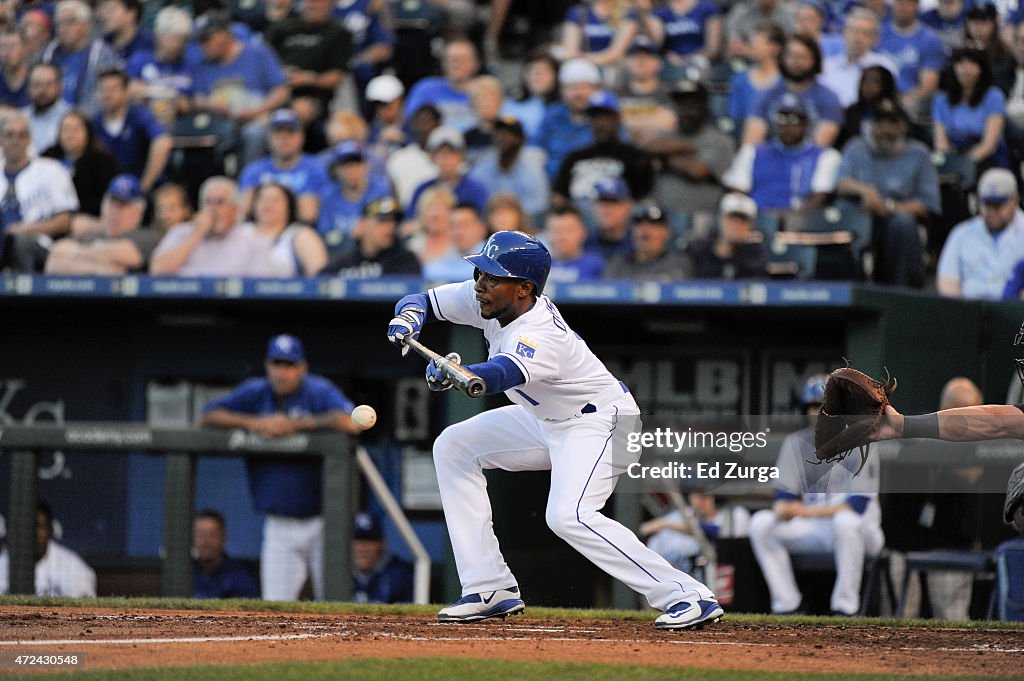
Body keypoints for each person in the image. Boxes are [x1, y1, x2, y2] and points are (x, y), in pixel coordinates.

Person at [385, 230, 724, 629]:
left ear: (524, 289)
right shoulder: (489, 299)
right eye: (480, 273)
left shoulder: (539, 331)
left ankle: (687, 595)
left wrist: (459, 372)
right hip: (547, 420)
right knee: (454, 447)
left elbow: (499, 374)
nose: (479, 285)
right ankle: (489, 587)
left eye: (491, 277)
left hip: (601, 422)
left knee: (569, 516)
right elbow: (423, 300)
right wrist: (408, 318)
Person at [201, 334, 363, 601]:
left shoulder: (318, 391)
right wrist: (255, 423)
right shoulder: (256, 392)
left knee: (336, 603)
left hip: (325, 522)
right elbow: (207, 416)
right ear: (268, 365)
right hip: (279, 525)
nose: (282, 372)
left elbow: (352, 421)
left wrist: (295, 425)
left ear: (302, 368)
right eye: (277, 364)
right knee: (275, 605)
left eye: (289, 365)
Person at [749, 374, 885, 616]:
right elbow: (784, 494)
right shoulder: (795, 443)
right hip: (817, 528)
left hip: (863, 531)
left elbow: (857, 505)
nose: (820, 412)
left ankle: (846, 608)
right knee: (761, 524)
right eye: (814, 406)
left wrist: (803, 511)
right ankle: (788, 605)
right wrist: (783, 507)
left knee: (846, 523)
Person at [835, 98, 939, 288]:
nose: (886, 130)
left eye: (893, 123)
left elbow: (927, 205)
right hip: (860, 216)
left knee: (904, 223)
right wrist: (864, 190)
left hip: (894, 220)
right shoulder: (855, 147)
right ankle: (842, 291)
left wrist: (888, 207)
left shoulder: (919, 154)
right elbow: (840, 184)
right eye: (880, 123)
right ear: (871, 125)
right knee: (840, 214)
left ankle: (903, 293)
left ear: (904, 126)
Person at [192, 11, 290, 168]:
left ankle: (247, 185)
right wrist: (210, 104)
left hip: (257, 119)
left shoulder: (258, 53)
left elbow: (282, 91)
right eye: (199, 41)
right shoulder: (203, 65)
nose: (202, 46)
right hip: (221, 123)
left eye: (206, 40)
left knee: (254, 134)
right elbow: (197, 98)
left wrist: (257, 111)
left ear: (224, 33)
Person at [723, 95, 840, 215]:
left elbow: (820, 197)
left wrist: (789, 218)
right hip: (756, 218)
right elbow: (738, 190)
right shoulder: (752, 152)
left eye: (794, 120)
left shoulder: (826, 156)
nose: (787, 127)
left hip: (800, 221)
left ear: (806, 124)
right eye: (781, 119)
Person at [639, 79, 736, 218]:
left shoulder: (721, 141)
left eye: (691, 104)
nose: (684, 110)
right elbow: (643, 144)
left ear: (704, 107)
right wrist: (685, 146)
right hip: (661, 217)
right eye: (680, 104)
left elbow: (696, 171)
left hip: (703, 218)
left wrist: (663, 157)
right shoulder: (669, 134)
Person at [149, 176, 275, 277]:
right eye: (208, 202)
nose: (213, 209)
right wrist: (198, 233)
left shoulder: (252, 242)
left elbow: (261, 288)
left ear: (235, 209)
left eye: (220, 202)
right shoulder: (181, 232)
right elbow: (158, 270)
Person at [0, 111, 79, 272]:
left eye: (22, 135)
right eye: (9, 135)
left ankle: (20, 296)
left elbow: (64, 221)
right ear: (1, 139)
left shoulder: (51, 170)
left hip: (38, 241)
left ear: (29, 139)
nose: (15, 141)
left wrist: (25, 229)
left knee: (19, 241)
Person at [552, 90, 655, 208]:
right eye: (595, 118)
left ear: (617, 119)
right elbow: (559, 198)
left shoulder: (634, 156)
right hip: (579, 220)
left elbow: (642, 202)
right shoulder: (574, 157)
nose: (600, 123)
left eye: (605, 117)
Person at [45, 174, 162, 274]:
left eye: (122, 206)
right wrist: (100, 269)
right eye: (111, 203)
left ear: (138, 212)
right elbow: (54, 262)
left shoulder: (147, 236)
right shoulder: (90, 235)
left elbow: (124, 255)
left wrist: (74, 254)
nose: (114, 211)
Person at [742, 33, 843, 149]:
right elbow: (751, 146)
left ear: (815, 60)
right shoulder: (765, 95)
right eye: (792, 56)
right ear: (782, 58)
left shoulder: (828, 98)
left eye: (803, 57)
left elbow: (819, 149)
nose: (797, 62)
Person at [937, 168, 1024, 300]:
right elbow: (947, 282)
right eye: (987, 204)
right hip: (969, 313)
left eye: (998, 204)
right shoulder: (961, 234)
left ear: (1014, 201)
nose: (992, 211)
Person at [238, 108, 330, 225]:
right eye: (278, 133)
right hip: (261, 231)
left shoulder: (315, 167)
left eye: (290, 133)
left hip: (299, 231)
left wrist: (267, 206)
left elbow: (309, 213)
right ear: (269, 138)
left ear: (301, 137)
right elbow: (244, 210)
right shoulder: (254, 169)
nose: (284, 139)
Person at [263, 0, 352, 120]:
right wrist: (279, 73)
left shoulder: (338, 32)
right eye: (310, 1)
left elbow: (336, 76)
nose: (313, 5)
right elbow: (262, 59)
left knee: (300, 109)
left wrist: (308, 78)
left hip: (312, 94)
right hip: (276, 87)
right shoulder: (282, 28)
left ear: (330, 4)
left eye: (318, 2)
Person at [932, 47, 1010, 173]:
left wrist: (965, 164)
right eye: (961, 64)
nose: (966, 70)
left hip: (988, 160)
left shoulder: (994, 96)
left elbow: (989, 144)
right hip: (953, 157)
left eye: (972, 64)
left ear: (982, 68)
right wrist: (952, 163)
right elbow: (940, 143)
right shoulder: (941, 99)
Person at [40, 0, 122, 117]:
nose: (63, 28)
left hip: (88, 122)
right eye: (59, 23)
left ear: (86, 25)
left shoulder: (102, 55)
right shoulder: (47, 54)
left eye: (70, 22)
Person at [94, 68, 171, 192]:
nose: (107, 95)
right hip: (111, 192)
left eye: (113, 89)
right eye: (103, 89)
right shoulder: (94, 123)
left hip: (144, 187)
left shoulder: (139, 116)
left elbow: (163, 142)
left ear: (126, 92)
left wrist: (144, 187)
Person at [0, 501, 96, 597]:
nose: (31, 533)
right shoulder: (2, 563)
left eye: (38, 527)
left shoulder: (73, 568)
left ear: (50, 530)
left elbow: (85, 609)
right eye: (25, 527)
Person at [126, 6, 200, 128]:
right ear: (159, 36)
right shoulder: (140, 60)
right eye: (174, 39)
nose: (178, 45)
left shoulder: (191, 65)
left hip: (181, 125)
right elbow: (130, 89)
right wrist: (162, 93)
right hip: (144, 124)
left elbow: (192, 102)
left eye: (183, 40)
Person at [468, 115, 549, 227]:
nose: (503, 138)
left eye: (509, 134)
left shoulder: (533, 170)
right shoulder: (482, 168)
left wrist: (508, 216)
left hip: (523, 231)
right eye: (499, 133)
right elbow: (474, 202)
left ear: (521, 139)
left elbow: (537, 209)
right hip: (488, 231)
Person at [641, 492, 751, 575]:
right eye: (696, 495)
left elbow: (720, 533)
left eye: (705, 495)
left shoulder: (733, 514)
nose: (701, 501)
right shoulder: (675, 518)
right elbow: (648, 556)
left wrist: (669, 525)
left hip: (720, 584)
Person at [41, 109, 121, 218]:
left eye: (76, 130)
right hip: (51, 217)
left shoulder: (104, 161)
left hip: (89, 218)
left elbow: (106, 198)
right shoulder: (46, 159)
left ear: (88, 133)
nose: (70, 135)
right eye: (66, 129)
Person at [317, 140, 392, 253]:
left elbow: (385, 226)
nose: (352, 170)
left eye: (357, 164)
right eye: (346, 165)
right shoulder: (328, 195)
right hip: (339, 254)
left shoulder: (380, 190)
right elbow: (325, 234)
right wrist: (350, 237)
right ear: (337, 169)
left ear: (367, 166)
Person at [533, 58, 601, 181]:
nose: (579, 94)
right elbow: (534, 150)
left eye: (584, 88)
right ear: (562, 90)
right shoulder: (552, 116)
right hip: (554, 183)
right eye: (573, 88)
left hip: (595, 184)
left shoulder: (606, 117)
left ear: (596, 90)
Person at [878, 0, 946, 123]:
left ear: (917, 6)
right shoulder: (879, 33)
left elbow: (929, 85)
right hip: (879, 98)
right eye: (899, 3)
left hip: (910, 101)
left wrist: (902, 100)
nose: (903, 7)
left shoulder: (930, 40)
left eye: (908, 3)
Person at [321, 197, 421, 278]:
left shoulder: (405, 261)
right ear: (362, 225)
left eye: (394, 222)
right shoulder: (344, 262)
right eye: (382, 221)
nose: (390, 227)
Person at [820, 8, 897, 108]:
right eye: (854, 31)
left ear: (875, 39)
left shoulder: (883, 66)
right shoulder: (827, 65)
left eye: (865, 33)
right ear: (844, 33)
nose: (859, 38)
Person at [247, 181, 328, 277]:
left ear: (289, 206)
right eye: (262, 199)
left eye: (275, 200)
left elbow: (320, 277)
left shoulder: (301, 235)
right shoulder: (241, 232)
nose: (268, 204)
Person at [402, 37, 479, 133]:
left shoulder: (486, 91)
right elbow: (407, 121)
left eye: (460, 59)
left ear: (475, 63)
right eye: (450, 60)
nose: (454, 64)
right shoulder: (426, 88)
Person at [407, 126, 489, 216]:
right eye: (440, 153)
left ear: (461, 156)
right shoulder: (422, 189)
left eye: (451, 153)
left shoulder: (476, 189)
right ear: (432, 157)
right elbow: (410, 221)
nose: (446, 159)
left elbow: (483, 221)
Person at [686, 192, 768, 279]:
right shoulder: (698, 250)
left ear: (750, 226)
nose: (736, 226)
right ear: (721, 219)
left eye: (743, 221)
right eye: (732, 219)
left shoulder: (755, 256)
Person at [604, 203, 693, 281]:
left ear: (666, 232)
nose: (645, 230)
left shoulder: (678, 263)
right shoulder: (617, 265)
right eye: (639, 224)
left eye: (653, 224)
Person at [727, 21, 784, 132]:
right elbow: (737, 118)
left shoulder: (787, 81)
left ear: (775, 47)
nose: (753, 45)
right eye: (752, 41)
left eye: (759, 41)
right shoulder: (739, 80)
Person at [192, 509, 260, 599]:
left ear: (224, 538)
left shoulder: (240, 575)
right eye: (200, 535)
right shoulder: (185, 572)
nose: (205, 541)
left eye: (212, 535)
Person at [386, 104, 441, 209]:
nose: (424, 128)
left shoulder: (449, 160)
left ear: (438, 125)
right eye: (420, 122)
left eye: (429, 122)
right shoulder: (398, 159)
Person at [352, 512, 414, 604]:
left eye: (370, 540)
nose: (363, 548)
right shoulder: (335, 573)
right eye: (358, 540)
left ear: (383, 543)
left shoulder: (400, 576)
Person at [544, 205, 605, 284]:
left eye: (569, 230)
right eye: (556, 230)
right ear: (546, 233)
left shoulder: (597, 266)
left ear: (583, 232)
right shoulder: (538, 267)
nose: (562, 237)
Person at [22, 62, 72, 155]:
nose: (42, 90)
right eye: (37, 85)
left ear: (60, 87)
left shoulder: (71, 118)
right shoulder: (20, 118)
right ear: (28, 88)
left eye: (48, 84)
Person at [586, 176, 635, 262]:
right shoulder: (582, 243)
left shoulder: (638, 243)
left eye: (614, 202)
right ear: (593, 206)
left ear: (628, 207)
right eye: (602, 202)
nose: (607, 209)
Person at [0, 28, 31, 108]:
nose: (6, 52)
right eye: (2, 47)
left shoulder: (35, 80)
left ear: (25, 48)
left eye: (13, 46)